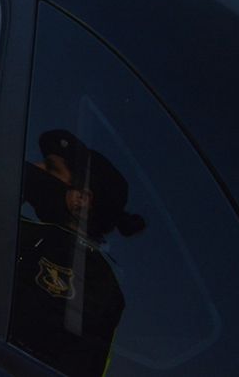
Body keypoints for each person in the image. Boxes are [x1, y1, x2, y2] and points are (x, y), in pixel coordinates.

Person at [13, 129, 145, 377]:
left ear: (81, 200)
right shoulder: (109, 281)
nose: (37, 167)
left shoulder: (48, 248)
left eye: (51, 168)